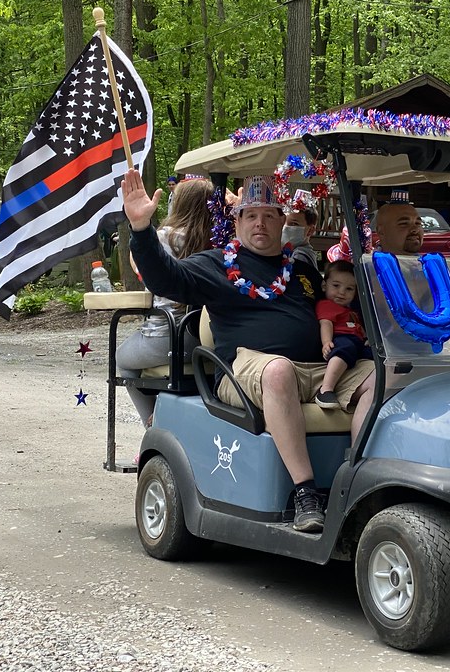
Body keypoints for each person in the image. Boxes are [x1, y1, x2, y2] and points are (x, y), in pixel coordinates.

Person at [123, 169, 375, 534]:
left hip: (315, 368)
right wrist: (142, 230)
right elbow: (166, 279)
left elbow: (332, 304)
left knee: (380, 375)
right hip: (245, 372)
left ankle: (356, 478)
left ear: (281, 221)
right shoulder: (215, 264)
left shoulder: (300, 267)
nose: (260, 223)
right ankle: (306, 493)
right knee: (278, 371)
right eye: (251, 215)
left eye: (269, 215)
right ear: (238, 220)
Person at [117, 177, 215, 427]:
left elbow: (149, 277)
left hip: (170, 335)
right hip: (209, 339)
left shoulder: (164, 237)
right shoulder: (219, 237)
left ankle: (151, 424)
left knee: (122, 359)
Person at [315, 260, 371, 409]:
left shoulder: (351, 311)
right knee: (345, 348)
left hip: (357, 341)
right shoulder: (327, 305)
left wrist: (366, 338)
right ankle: (326, 389)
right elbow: (326, 323)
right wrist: (326, 342)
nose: (342, 292)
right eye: (336, 286)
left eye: (349, 289)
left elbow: (358, 327)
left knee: (373, 353)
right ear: (324, 285)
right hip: (340, 338)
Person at [282, 196, 319, 269]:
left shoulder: (300, 257)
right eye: (282, 222)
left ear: (310, 230)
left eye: (293, 224)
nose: (285, 227)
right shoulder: (289, 252)